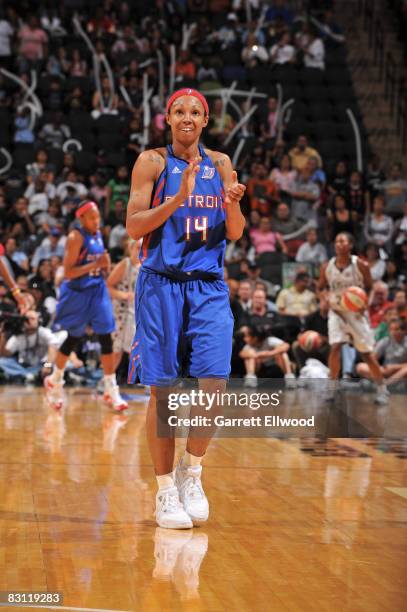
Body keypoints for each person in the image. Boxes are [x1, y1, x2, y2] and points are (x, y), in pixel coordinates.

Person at [125, 88, 246, 529]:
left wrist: (233, 205)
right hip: (161, 285)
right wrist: (177, 198)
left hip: (209, 285)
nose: (187, 117)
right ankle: (164, 492)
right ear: (168, 118)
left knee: (214, 385)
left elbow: (234, 233)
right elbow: (133, 225)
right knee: (163, 394)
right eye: (180, 111)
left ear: (206, 119)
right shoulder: (152, 162)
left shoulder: (221, 163)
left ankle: (191, 473)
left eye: (196, 111)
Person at [44, 200, 128, 412]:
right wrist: (95, 264)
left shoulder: (98, 234)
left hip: (97, 290)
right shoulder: (75, 237)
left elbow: (100, 265)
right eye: (92, 217)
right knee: (73, 338)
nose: (97, 220)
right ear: (81, 218)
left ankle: (111, 389)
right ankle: (55, 381)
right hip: (78, 293)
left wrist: (104, 267)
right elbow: (68, 272)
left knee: (106, 337)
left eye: (98, 216)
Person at [318, 232, 388, 404]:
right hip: (336, 311)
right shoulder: (326, 266)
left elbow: (371, 287)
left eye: (342, 241)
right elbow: (320, 288)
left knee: (366, 353)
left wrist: (367, 303)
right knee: (335, 347)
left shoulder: (361, 264)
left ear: (350, 245)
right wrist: (323, 300)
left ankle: (382, 388)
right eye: (336, 241)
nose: (339, 244)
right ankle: (332, 388)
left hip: (357, 313)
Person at [106, 238, 141, 371]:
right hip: (120, 314)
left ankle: (146, 382)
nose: (140, 251)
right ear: (130, 249)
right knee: (116, 351)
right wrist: (124, 296)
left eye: (142, 248)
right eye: (137, 248)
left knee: (138, 348)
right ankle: (106, 381)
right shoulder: (125, 264)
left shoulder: (144, 267)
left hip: (135, 314)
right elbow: (108, 286)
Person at [356, 319, 407, 385]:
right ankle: (384, 383)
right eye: (391, 330)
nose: (393, 332)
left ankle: (386, 384)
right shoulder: (385, 341)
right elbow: (373, 359)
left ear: (404, 331)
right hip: (385, 371)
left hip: (402, 371)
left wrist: (395, 367)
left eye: (397, 329)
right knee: (360, 367)